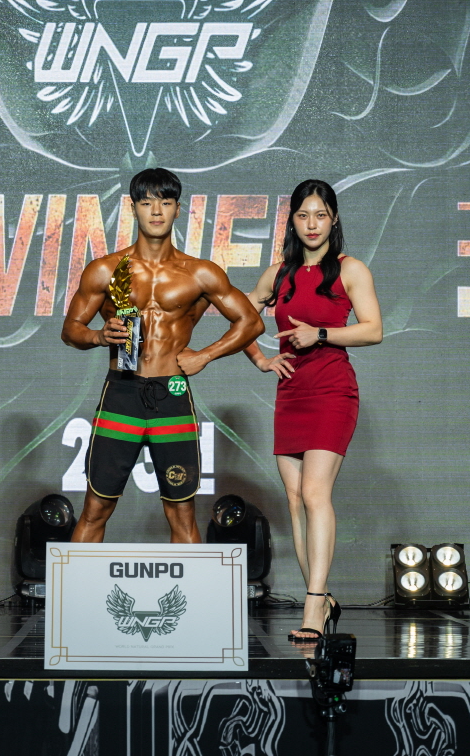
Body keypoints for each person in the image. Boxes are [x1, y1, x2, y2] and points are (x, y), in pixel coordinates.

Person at [63, 168, 263, 543]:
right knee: (95, 508)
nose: (156, 211)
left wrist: (205, 355)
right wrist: (97, 335)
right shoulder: (105, 269)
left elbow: (251, 322)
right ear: (133, 209)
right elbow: (70, 329)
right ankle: (75, 585)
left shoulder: (200, 273)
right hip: (122, 393)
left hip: (172, 393)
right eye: (146, 203)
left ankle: (190, 587)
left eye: (166, 202)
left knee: (182, 513)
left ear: (178, 209)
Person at [243, 180, 382, 642]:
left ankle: (313, 604)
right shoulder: (278, 275)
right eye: (303, 215)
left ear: (334, 219)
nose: (312, 224)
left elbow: (373, 329)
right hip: (291, 392)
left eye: (321, 214)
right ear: (293, 221)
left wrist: (320, 334)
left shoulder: (350, 269)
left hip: (331, 390)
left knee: (315, 492)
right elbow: (240, 317)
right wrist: (261, 359)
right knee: (295, 499)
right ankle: (321, 598)